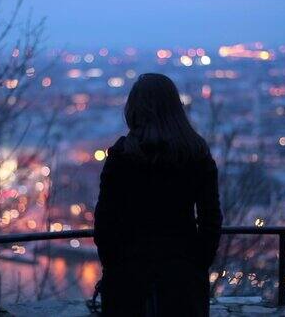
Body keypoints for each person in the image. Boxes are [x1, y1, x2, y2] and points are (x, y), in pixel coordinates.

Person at [93, 73, 223, 317]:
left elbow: (105, 223)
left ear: (133, 109)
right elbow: (211, 219)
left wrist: (114, 265)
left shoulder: (122, 157)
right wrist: (198, 264)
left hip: (129, 275)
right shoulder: (196, 154)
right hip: (182, 275)